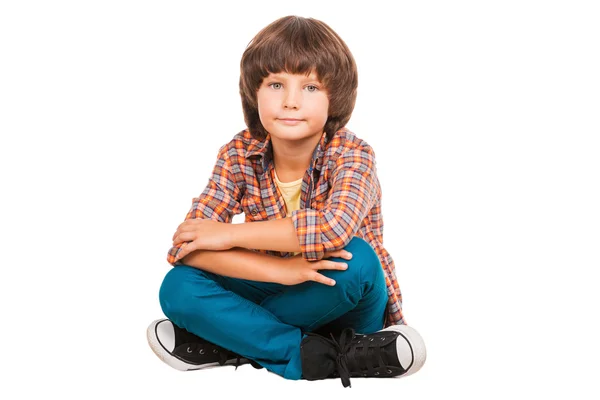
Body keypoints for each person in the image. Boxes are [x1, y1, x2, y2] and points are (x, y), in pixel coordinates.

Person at [147, 15, 426, 388]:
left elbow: (332, 229)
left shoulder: (352, 153)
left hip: (340, 296)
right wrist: (282, 271)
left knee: (357, 259)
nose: (291, 102)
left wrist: (228, 235)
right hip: (276, 284)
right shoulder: (238, 153)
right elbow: (187, 245)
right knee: (178, 286)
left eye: (310, 87)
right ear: (254, 94)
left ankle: (231, 339)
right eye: (276, 84)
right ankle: (323, 355)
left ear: (334, 98)